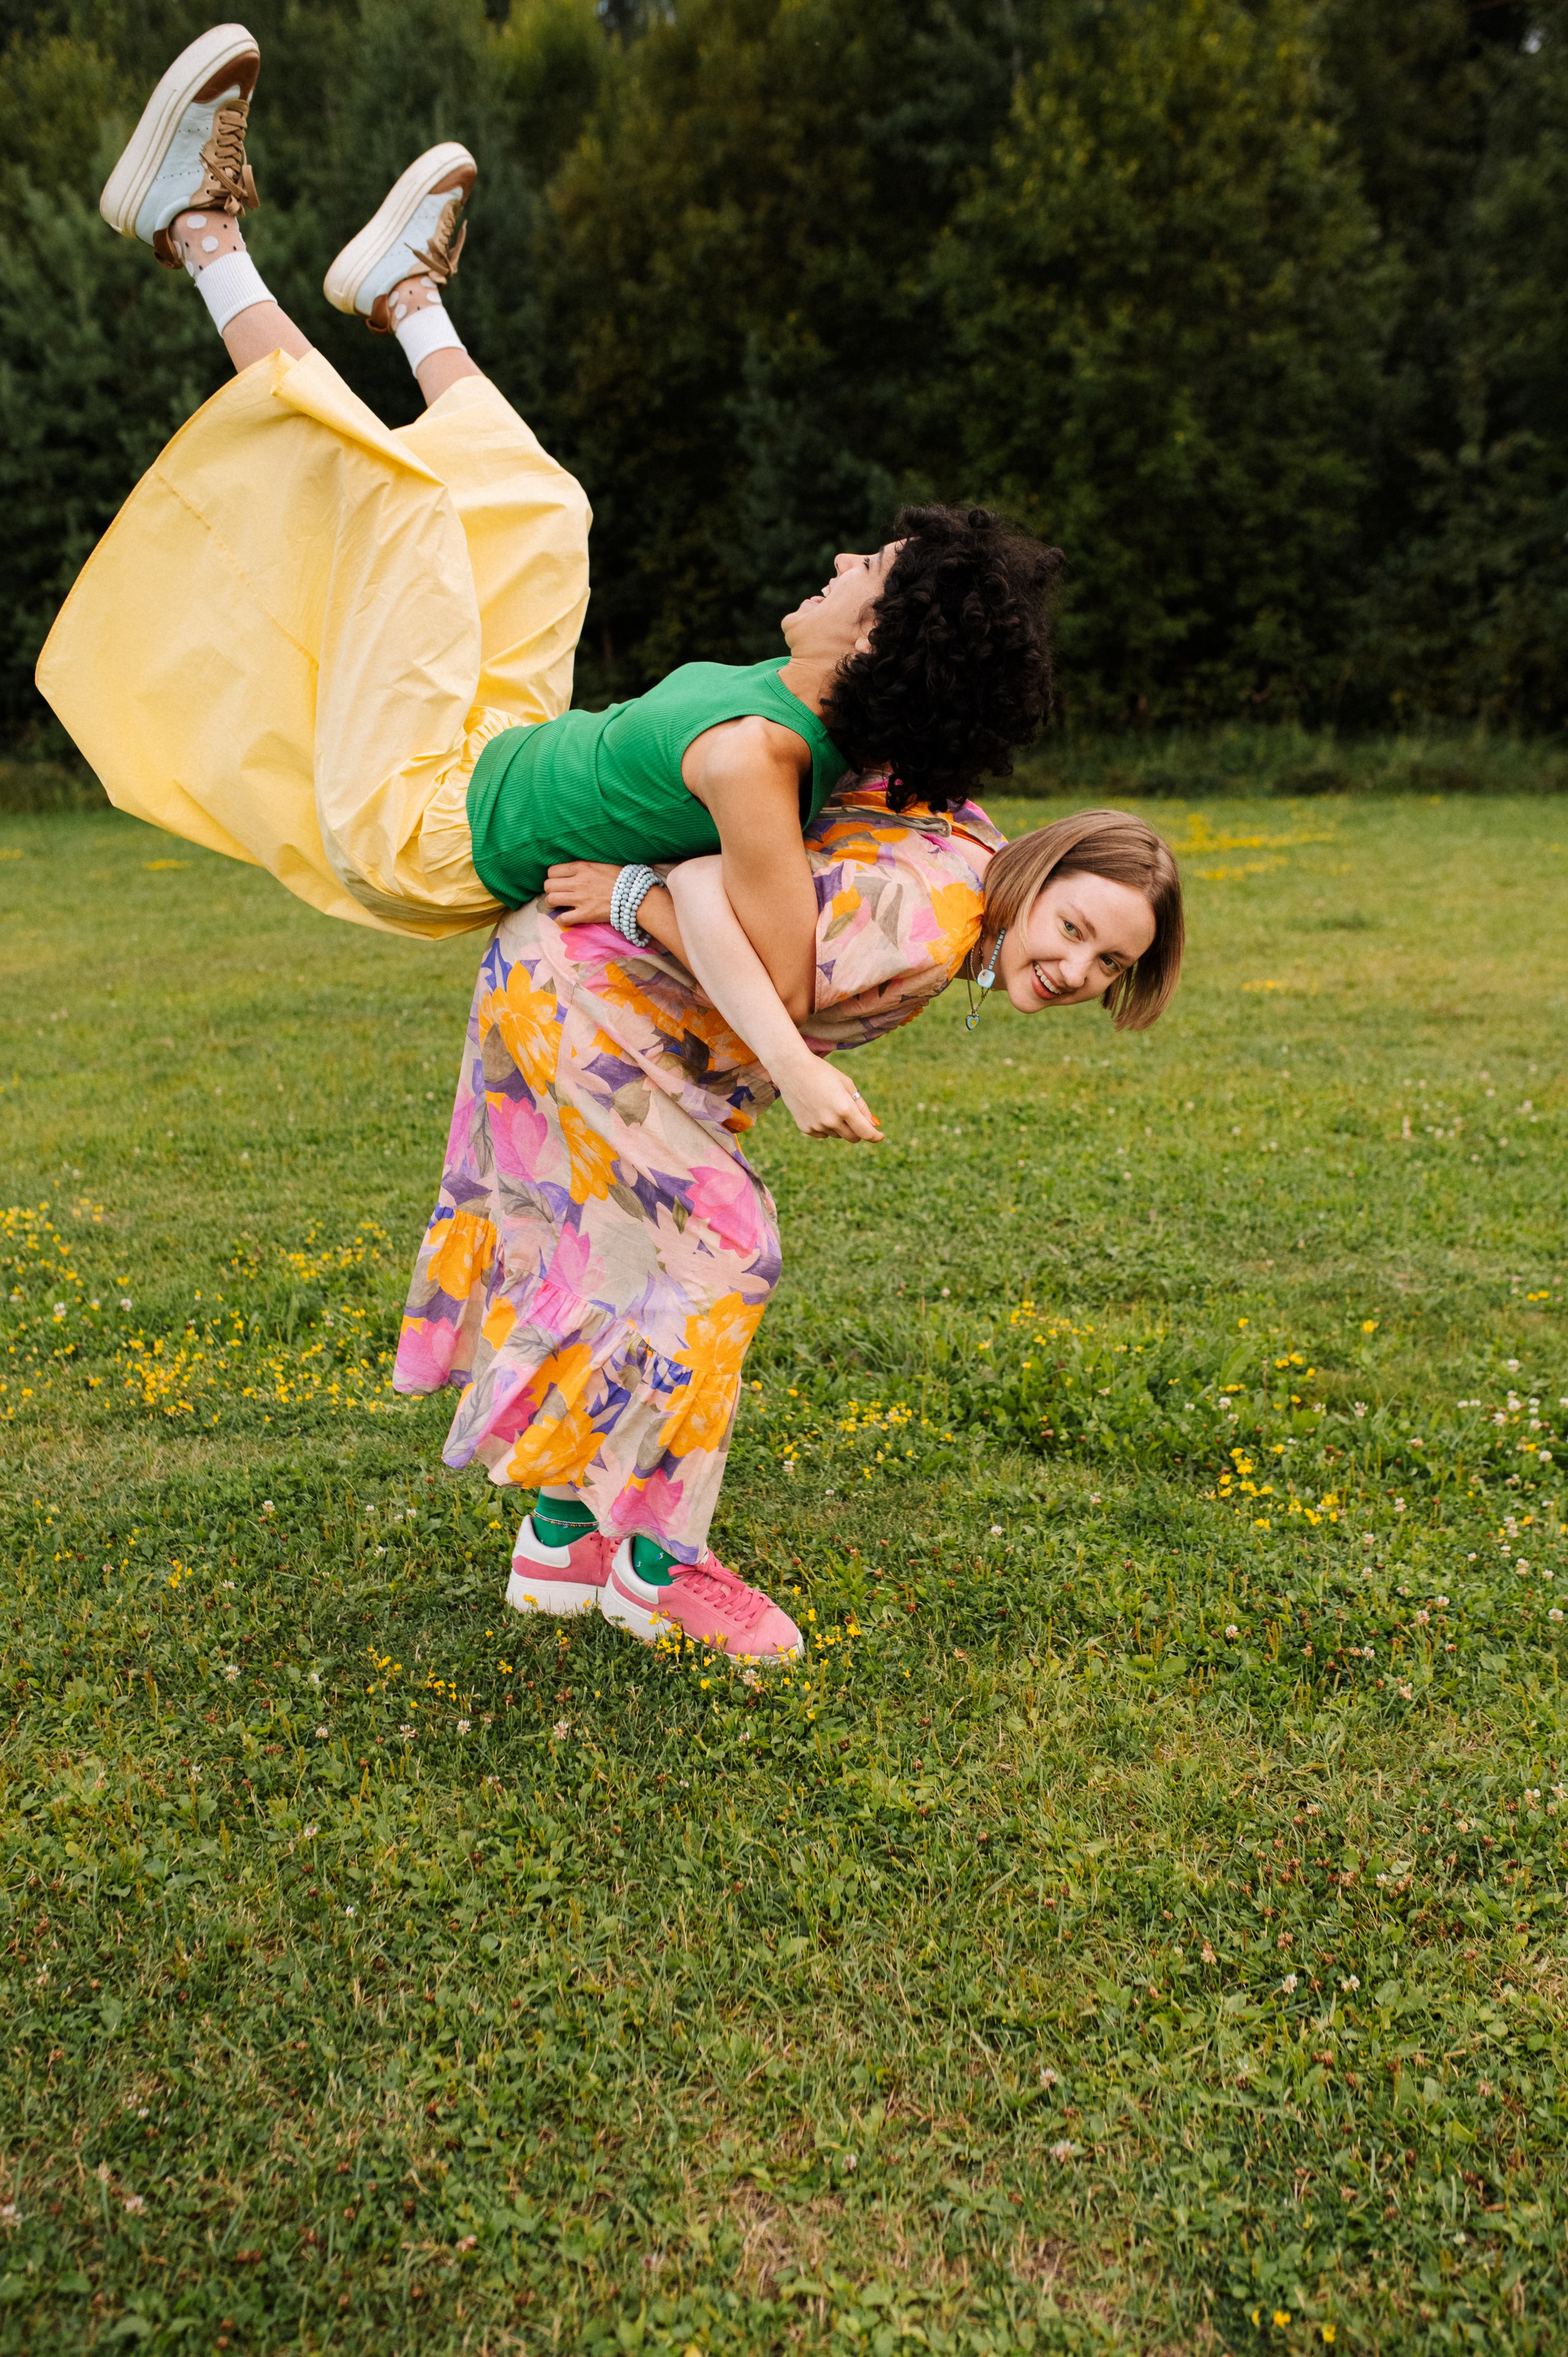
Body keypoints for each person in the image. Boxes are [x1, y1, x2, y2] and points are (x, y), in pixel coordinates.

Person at [36, 22, 1058, 1018]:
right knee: (547, 509)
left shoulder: (761, 761)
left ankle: (193, 226)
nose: (841, 559)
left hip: (427, 827)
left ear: (876, 637)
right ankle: (403, 297)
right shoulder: (810, 716)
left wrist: (630, 898)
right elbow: (951, 726)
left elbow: (789, 985)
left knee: (402, 507)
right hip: (501, 740)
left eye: (869, 567)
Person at [396, 797, 1185, 1659]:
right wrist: (644, 910)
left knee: (615, 1265)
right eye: (1071, 928)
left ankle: (562, 1544)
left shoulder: (965, 848)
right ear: (1034, 876)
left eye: (1110, 961)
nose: (1077, 968)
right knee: (726, 1257)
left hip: (566, 985)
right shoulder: (927, 926)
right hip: (589, 1000)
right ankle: (658, 1574)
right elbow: (705, 884)